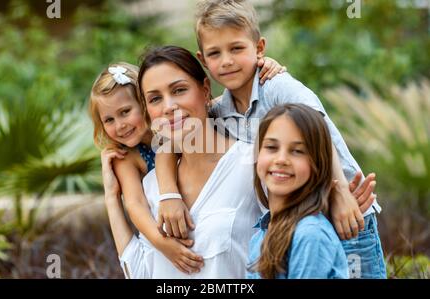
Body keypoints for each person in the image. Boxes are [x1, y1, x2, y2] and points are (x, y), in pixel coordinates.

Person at [191, 0, 386, 278]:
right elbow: (175, 129)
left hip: (348, 211)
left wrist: (340, 192)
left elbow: (318, 128)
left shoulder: (278, 86)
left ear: (259, 48)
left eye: (237, 48)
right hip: (295, 223)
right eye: (215, 53)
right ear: (203, 60)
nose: (227, 61)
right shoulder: (221, 112)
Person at [89, 60, 284, 277]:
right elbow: (134, 204)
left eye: (125, 112)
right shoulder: (126, 157)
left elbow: (225, 99)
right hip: (161, 232)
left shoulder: (175, 127)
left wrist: (262, 67)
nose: (120, 125)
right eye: (108, 120)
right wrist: (163, 244)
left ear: (143, 105)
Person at [248, 104, 348, 279]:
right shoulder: (260, 235)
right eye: (271, 147)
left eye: (297, 151)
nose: (281, 159)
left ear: (318, 162)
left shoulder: (310, 234)